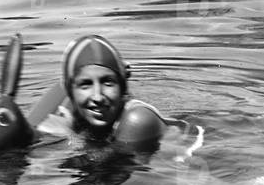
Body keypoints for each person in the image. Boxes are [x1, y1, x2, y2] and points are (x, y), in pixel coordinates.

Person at [37, 35, 170, 151]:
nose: (97, 96)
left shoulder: (138, 119)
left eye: (108, 82)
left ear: (122, 87)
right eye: (86, 84)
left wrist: (68, 134)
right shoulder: (79, 116)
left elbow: (106, 170)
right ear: (70, 91)